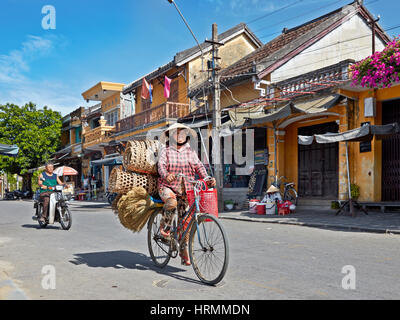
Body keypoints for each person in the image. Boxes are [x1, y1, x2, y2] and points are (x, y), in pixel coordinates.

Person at [157, 123, 216, 266]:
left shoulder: (190, 151)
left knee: (186, 223)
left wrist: (207, 178)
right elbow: (161, 166)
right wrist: (167, 175)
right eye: (177, 133)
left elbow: (199, 166)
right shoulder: (166, 150)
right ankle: (164, 227)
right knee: (171, 202)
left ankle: (184, 254)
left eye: (183, 133)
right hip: (167, 186)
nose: (180, 136)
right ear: (171, 136)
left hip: (186, 190)